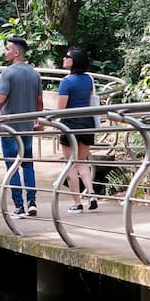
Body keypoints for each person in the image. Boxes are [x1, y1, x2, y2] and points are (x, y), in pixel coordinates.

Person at [0, 36, 43, 218]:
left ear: (16, 52)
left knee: (12, 166)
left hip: (9, 128)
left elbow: (0, 99)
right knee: (28, 165)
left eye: (7, 49)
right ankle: (32, 202)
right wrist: (38, 121)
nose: (5, 52)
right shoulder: (34, 74)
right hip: (27, 127)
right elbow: (39, 101)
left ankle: (19, 206)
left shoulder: (8, 73)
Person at [56, 46, 98, 212]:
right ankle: (92, 194)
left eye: (67, 57)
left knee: (70, 164)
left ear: (75, 61)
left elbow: (61, 109)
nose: (64, 58)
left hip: (70, 125)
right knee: (82, 161)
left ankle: (77, 202)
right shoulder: (89, 79)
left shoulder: (66, 82)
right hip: (87, 123)